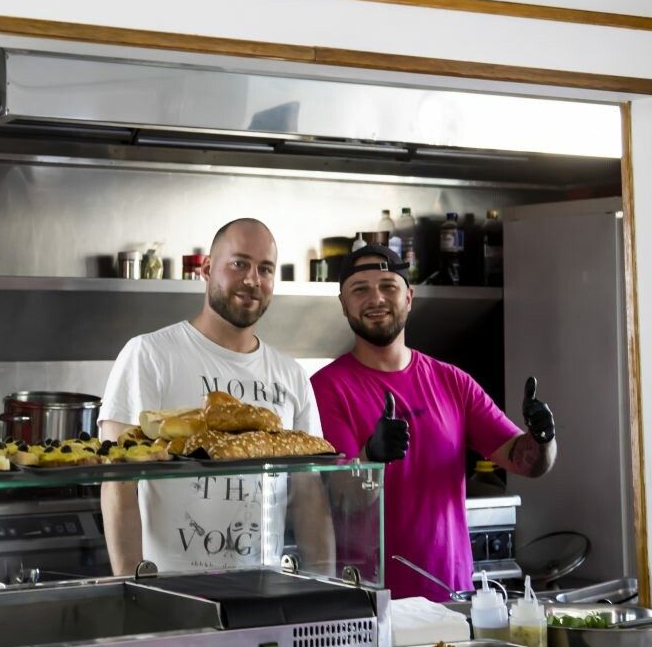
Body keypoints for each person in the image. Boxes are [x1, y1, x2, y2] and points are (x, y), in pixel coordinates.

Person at [310, 244, 557, 601]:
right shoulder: (325, 389)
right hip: (370, 604)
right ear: (343, 304)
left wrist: (543, 438)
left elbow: (526, 462)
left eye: (388, 286)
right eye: (360, 289)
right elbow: (341, 500)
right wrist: (370, 458)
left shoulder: (453, 382)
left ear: (409, 297)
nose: (376, 298)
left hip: (452, 598)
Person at [99, 217, 334, 576]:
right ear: (207, 270)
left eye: (265, 269)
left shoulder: (291, 375)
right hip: (171, 589)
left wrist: (325, 586)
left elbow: (309, 496)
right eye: (239, 263)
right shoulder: (150, 354)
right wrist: (132, 589)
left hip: (263, 590)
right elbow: (118, 484)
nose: (253, 280)